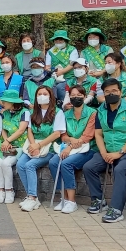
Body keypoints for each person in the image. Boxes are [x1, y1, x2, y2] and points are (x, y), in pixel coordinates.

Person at [83, 78, 126, 223]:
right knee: (88, 167)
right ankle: (98, 200)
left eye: (114, 91)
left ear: (121, 92)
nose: (111, 94)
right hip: (107, 150)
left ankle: (116, 210)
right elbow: (98, 134)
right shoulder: (100, 111)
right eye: (107, 92)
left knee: (120, 169)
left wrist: (119, 153)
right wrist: (103, 153)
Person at [48, 85, 96, 214]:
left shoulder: (92, 113)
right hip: (70, 146)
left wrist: (70, 145)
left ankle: (72, 201)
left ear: (85, 97)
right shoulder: (65, 114)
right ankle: (63, 198)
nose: (76, 98)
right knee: (53, 162)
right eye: (73, 95)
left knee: (66, 163)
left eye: (79, 95)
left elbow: (87, 136)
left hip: (87, 149)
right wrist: (70, 141)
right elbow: (63, 135)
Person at [17, 86, 64, 212]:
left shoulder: (58, 112)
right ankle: (31, 197)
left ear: (50, 96)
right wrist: (33, 145)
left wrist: (39, 145)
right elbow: (30, 131)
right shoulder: (33, 113)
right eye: (39, 94)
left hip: (49, 148)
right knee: (20, 164)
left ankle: (32, 197)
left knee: (30, 165)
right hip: (33, 146)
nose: (42, 96)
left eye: (45, 94)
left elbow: (57, 134)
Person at [0, 90, 28, 205]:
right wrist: (6, 141)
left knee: (6, 163)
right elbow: (2, 129)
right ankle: (0, 191)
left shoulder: (25, 112)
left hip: (20, 145)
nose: (2, 103)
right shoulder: (4, 113)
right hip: (6, 144)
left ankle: (9, 190)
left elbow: (21, 130)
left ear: (12, 102)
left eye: (5, 101)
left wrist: (8, 140)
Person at [46, 30, 78, 104]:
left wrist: (61, 72)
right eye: (56, 40)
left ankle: (65, 104)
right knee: (48, 87)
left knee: (60, 88)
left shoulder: (72, 50)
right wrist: (52, 71)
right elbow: (47, 66)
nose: (58, 42)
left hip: (69, 77)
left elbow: (72, 64)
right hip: (54, 77)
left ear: (65, 40)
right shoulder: (51, 51)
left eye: (61, 40)